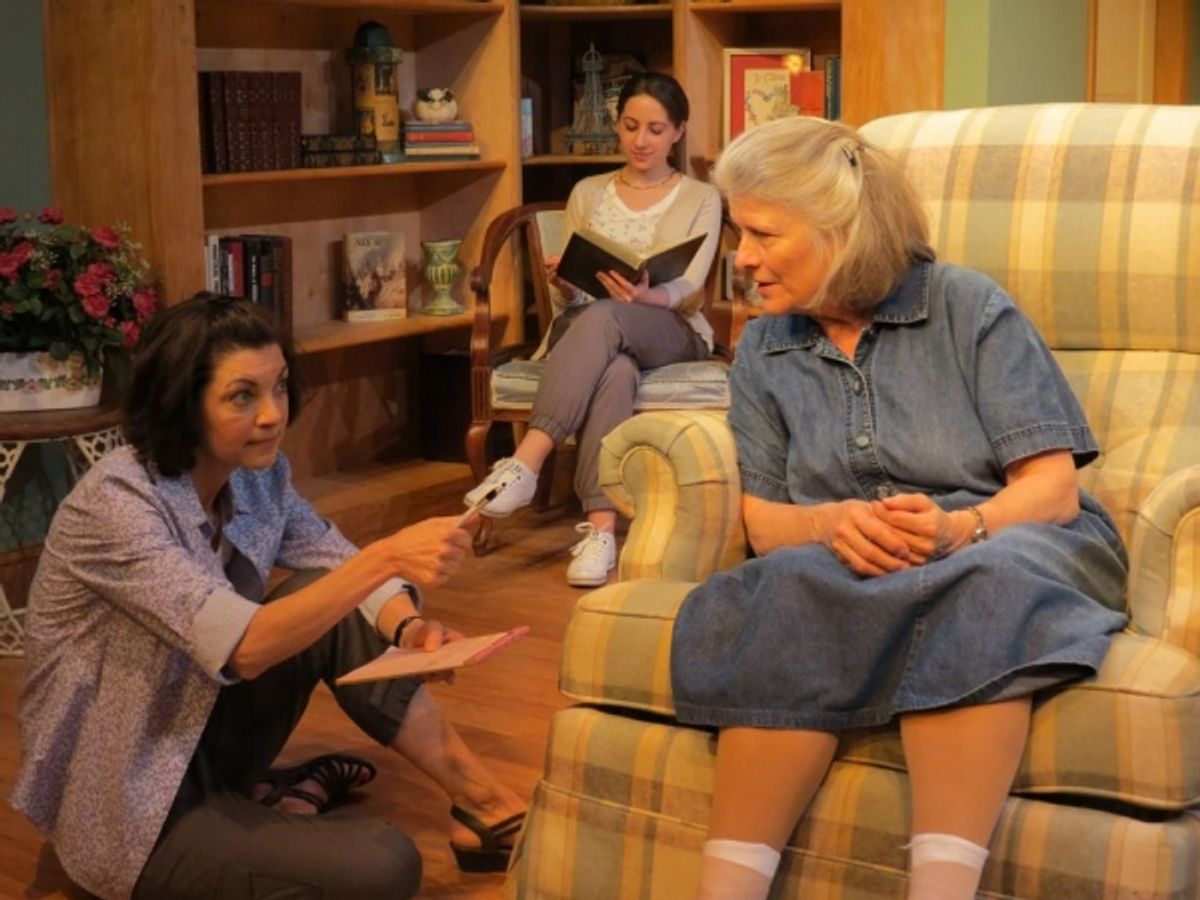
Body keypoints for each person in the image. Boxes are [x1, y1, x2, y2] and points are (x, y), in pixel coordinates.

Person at [670, 116, 1129, 900]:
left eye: (762, 234)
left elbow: (1050, 491)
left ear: (841, 231)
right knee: (786, 585)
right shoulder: (763, 348)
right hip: (850, 558)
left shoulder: (968, 308)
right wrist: (827, 523)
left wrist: (959, 528)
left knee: (986, 583)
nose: (740, 259)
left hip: (1005, 535)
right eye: (738, 233)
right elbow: (763, 522)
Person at [12, 295, 526, 900]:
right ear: (183, 402)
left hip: (196, 725)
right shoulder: (117, 505)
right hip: (127, 794)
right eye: (242, 396)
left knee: (332, 594)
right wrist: (387, 556)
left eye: (279, 387)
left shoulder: (257, 473)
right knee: (385, 862)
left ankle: (485, 806)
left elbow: (333, 559)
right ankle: (243, 827)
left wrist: (409, 629)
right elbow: (244, 649)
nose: (272, 414)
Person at [464, 72, 723, 587]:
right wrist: (565, 284)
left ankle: (525, 462)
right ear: (617, 125)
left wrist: (648, 295)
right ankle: (601, 532)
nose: (640, 140)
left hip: (670, 327)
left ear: (678, 132)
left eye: (655, 129)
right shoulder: (588, 191)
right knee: (616, 368)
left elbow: (691, 286)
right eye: (630, 126)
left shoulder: (701, 197)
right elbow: (578, 298)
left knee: (609, 316)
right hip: (595, 329)